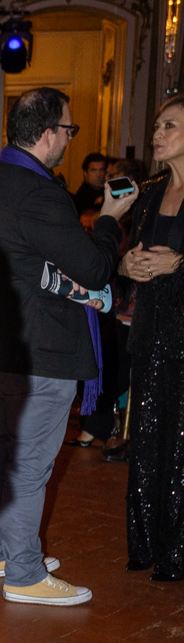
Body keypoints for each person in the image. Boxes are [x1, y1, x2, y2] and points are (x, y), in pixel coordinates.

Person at [0, 87, 135, 605]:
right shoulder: (39, 192)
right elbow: (94, 267)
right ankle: (23, 573)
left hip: (8, 340)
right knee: (29, 463)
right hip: (44, 346)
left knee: (4, 450)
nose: (69, 138)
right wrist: (109, 217)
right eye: (68, 129)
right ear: (48, 134)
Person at [121, 94, 184, 580]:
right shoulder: (150, 189)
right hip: (150, 329)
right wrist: (128, 264)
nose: (156, 134)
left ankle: (177, 550)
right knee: (145, 435)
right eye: (158, 125)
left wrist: (179, 264)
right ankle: (145, 543)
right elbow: (129, 253)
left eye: (169, 126)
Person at [73, 152, 107, 218]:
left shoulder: (106, 191)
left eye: (101, 170)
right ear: (85, 173)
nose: (98, 175)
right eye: (93, 170)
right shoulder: (82, 197)